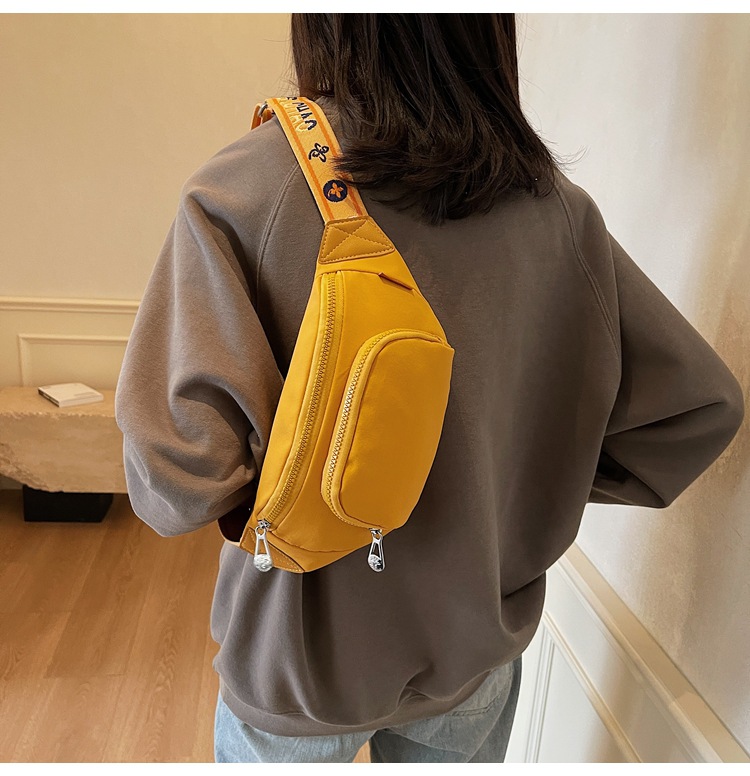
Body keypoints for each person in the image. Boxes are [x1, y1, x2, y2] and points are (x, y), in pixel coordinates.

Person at [114, 13, 745, 764]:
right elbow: (698, 413)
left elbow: (177, 482)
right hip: (475, 651)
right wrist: (520, 491)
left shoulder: (246, 188)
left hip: (301, 662)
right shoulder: (557, 211)